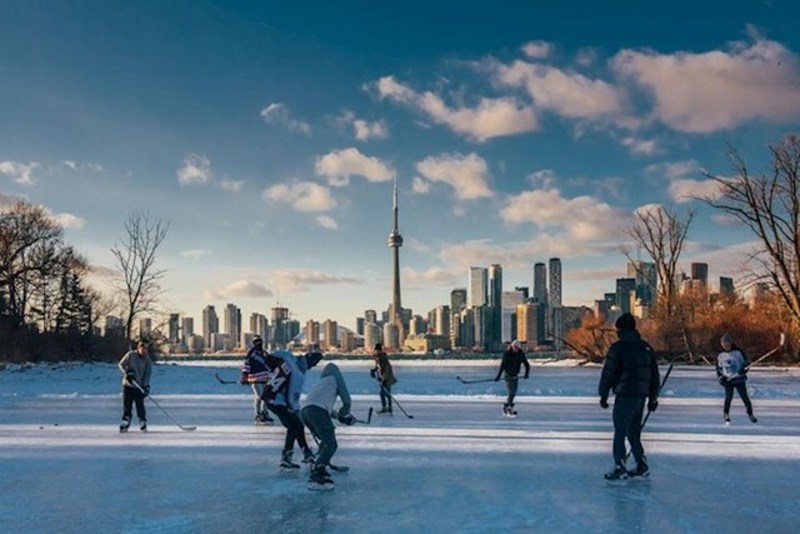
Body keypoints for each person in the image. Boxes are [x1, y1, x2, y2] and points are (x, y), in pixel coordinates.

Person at [598, 313, 660, 480]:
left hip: (625, 394)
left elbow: (608, 373)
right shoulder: (645, 347)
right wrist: (653, 398)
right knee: (633, 433)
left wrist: (603, 394)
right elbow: (655, 375)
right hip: (641, 396)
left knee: (620, 431)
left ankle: (620, 466)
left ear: (621, 329)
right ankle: (641, 464)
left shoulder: (618, 348)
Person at [261, 349, 323, 470]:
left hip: (270, 394)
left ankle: (306, 452)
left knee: (298, 425)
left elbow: (271, 357)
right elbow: (291, 399)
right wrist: (297, 412)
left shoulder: (288, 357)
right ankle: (286, 458)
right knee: (294, 426)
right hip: (276, 401)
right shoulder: (298, 376)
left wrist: (274, 370)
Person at [300, 362, 356, 490]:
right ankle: (319, 468)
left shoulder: (321, 383)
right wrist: (345, 415)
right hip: (317, 412)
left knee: (325, 442)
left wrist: (339, 416)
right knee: (331, 444)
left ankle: (319, 461)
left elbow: (321, 405)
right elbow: (347, 402)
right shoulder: (336, 379)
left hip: (304, 412)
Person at [716, 332, 757, 425]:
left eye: (727, 343)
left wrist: (743, 370)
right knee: (728, 397)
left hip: (739, 379)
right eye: (723, 344)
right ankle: (726, 414)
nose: (725, 345)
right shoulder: (720, 355)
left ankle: (750, 414)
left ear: (730, 343)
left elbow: (746, 364)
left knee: (744, 397)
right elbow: (718, 368)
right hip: (728, 380)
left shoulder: (738, 352)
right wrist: (720, 378)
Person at [239, 336, 275, 424]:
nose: (259, 343)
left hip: (266, 379)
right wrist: (244, 375)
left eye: (260, 341)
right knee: (261, 397)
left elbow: (270, 364)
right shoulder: (252, 353)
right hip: (255, 379)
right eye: (257, 342)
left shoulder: (264, 353)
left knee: (263, 397)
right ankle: (260, 414)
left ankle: (262, 414)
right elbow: (247, 364)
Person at [118, 341, 153, 432]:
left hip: (139, 386)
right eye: (142, 349)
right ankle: (126, 420)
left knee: (140, 405)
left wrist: (145, 386)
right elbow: (121, 365)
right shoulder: (130, 355)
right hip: (128, 385)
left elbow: (147, 374)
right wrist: (127, 373)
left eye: (146, 349)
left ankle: (142, 421)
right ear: (138, 348)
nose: (144, 351)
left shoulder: (147, 360)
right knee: (127, 405)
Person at [494, 340, 530, 416]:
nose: (515, 349)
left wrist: (526, 374)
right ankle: (509, 407)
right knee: (511, 391)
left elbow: (527, 365)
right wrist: (498, 376)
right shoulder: (507, 354)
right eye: (514, 347)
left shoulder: (520, 354)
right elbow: (502, 365)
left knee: (514, 392)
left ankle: (507, 406)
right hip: (508, 375)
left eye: (517, 348)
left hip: (515, 375)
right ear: (512, 347)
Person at [370, 343, 397, 415]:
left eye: (376, 351)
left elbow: (387, 370)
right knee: (385, 394)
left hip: (387, 379)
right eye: (375, 351)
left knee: (384, 394)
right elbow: (378, 367)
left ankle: (387, 408)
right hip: (382, 378)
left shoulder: (383, 358)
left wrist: (383, 380)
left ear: (379, 351)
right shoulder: (377, 358)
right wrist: (373, 371)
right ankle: (387, 408)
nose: (375, 352)